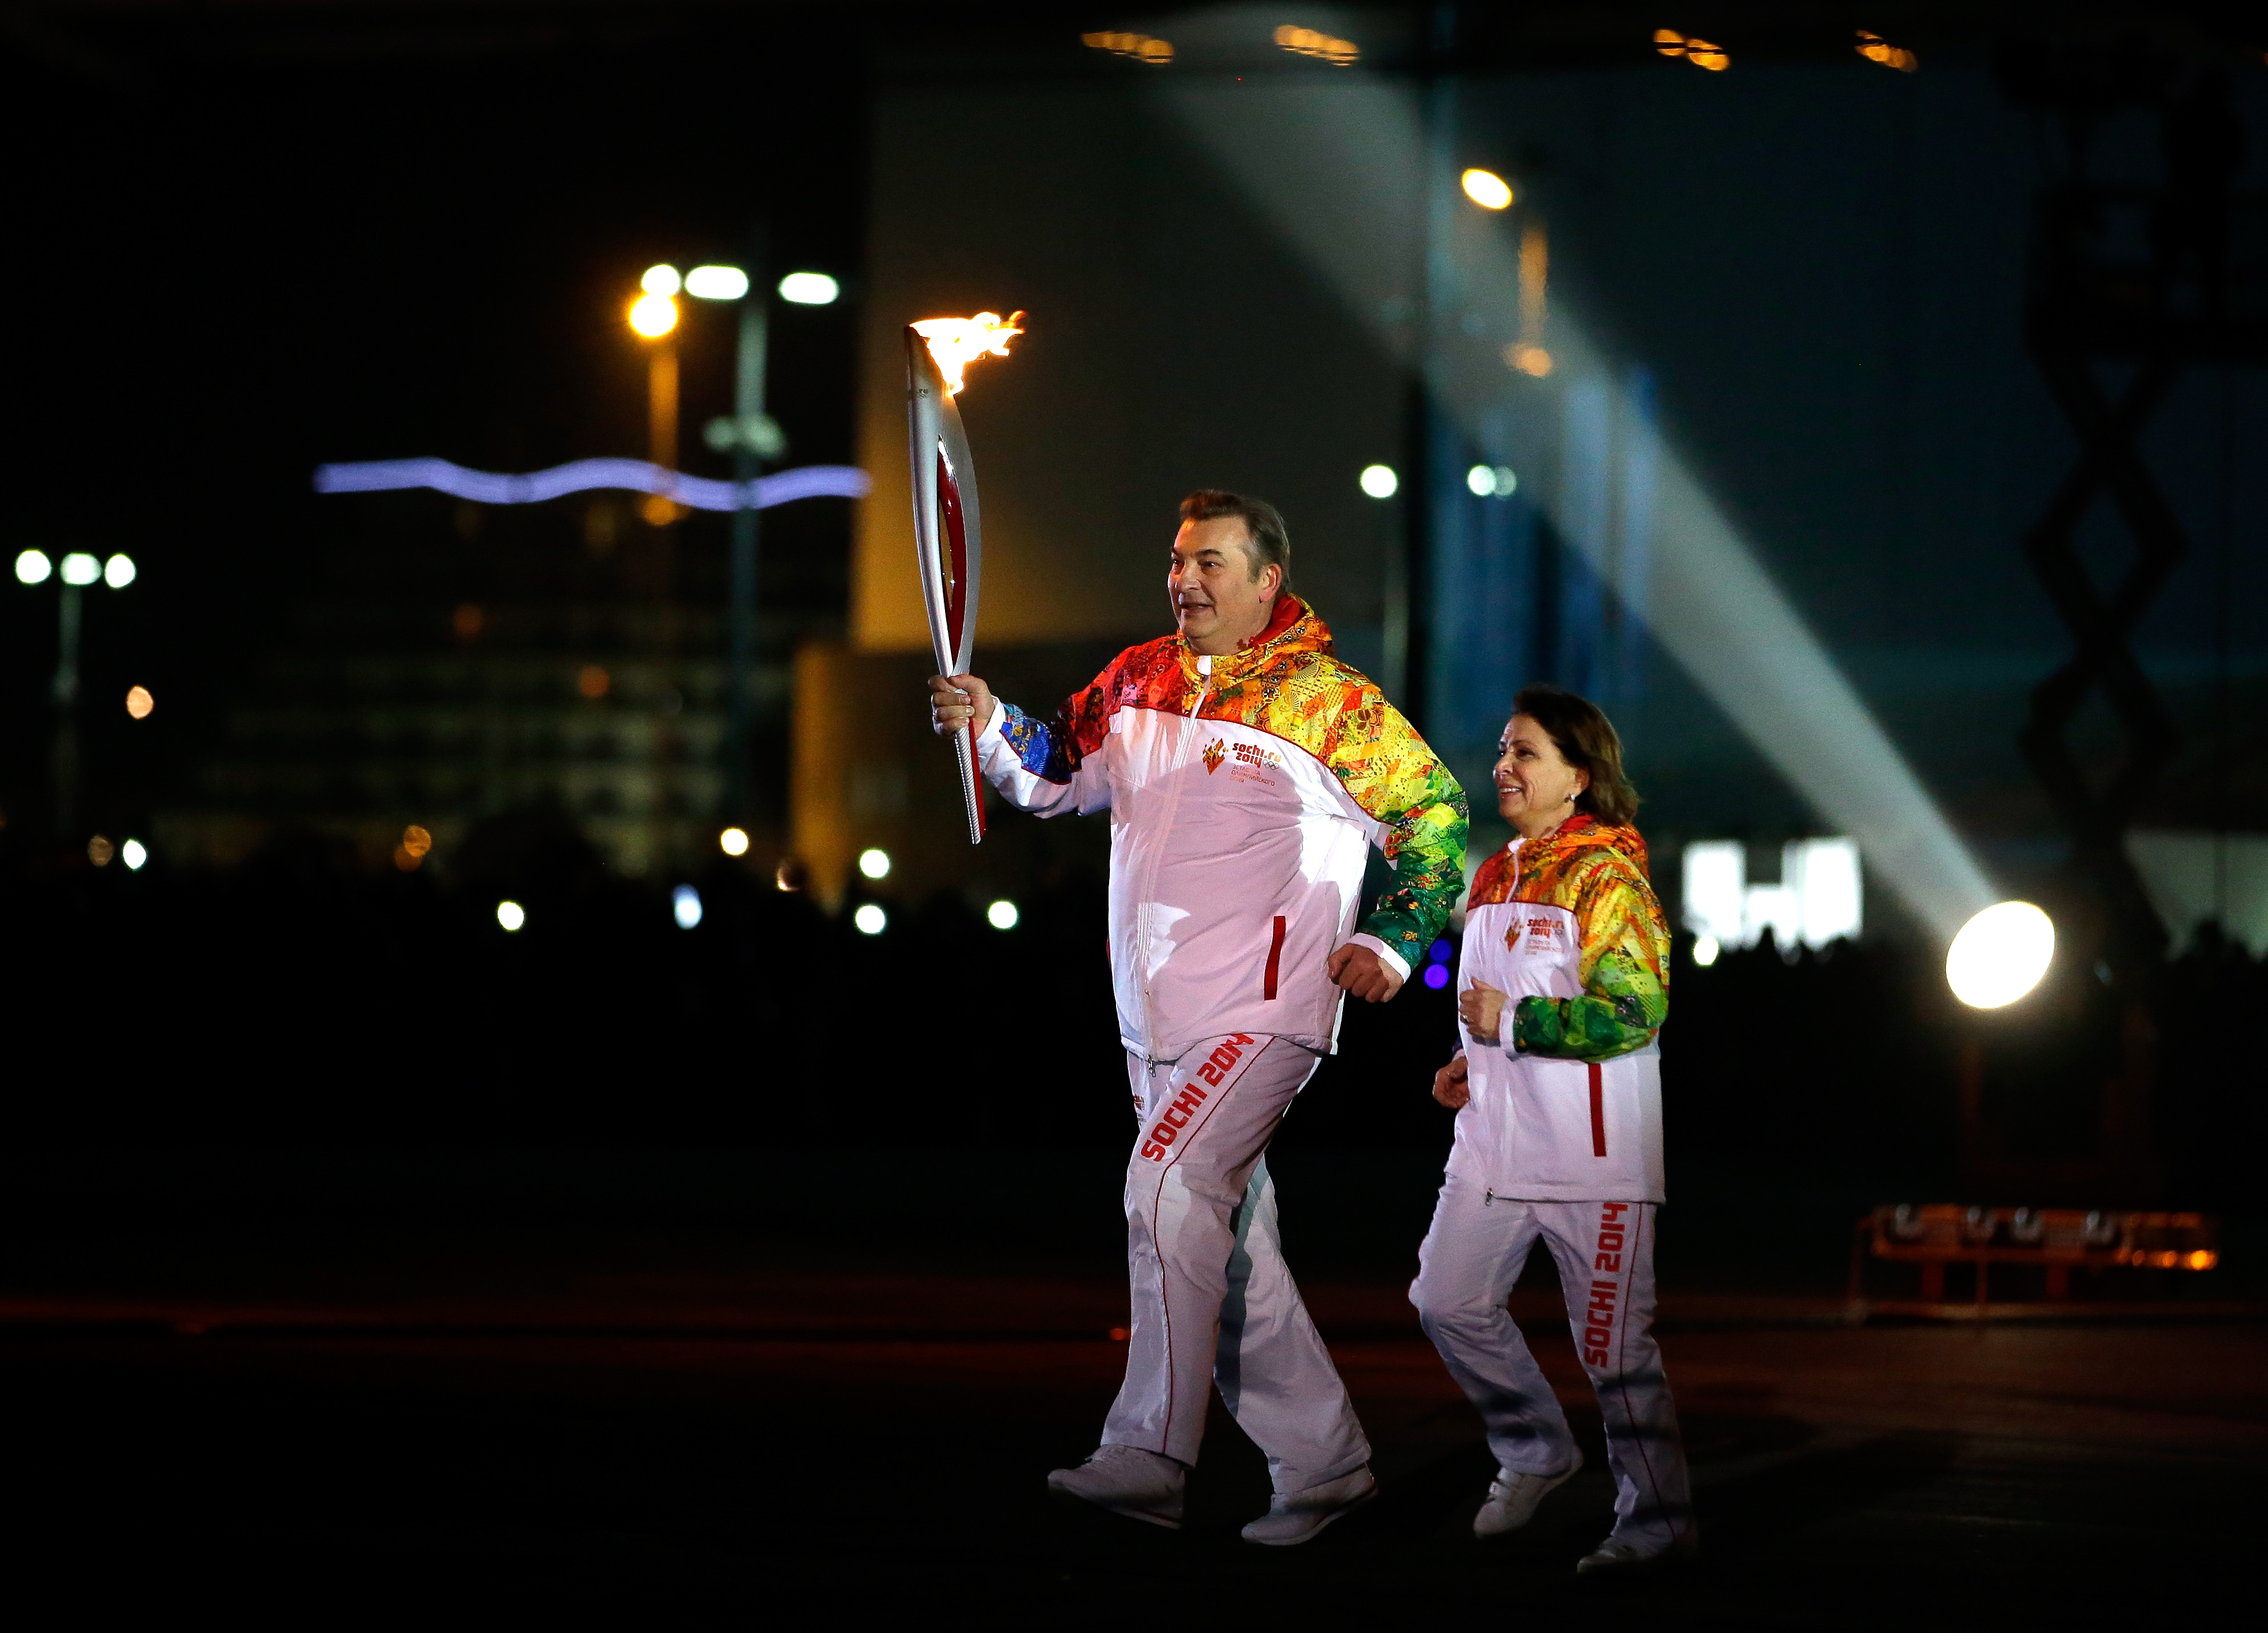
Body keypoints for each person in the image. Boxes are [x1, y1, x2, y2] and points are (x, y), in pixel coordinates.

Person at [928, 490, 1467, 1545]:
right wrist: (990, 723)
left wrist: (1394, 940)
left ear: (1268, 580)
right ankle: (1325, 1467)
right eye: (1179, 561)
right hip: (1155, 1012)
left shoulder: (1330, 703)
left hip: (1266, 1006)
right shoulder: (1136, 676)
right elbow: (1057, 777)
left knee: (1167, 1185)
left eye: (1212, 563)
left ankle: (1149, 1455)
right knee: (1224, 1244)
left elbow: (1436, 819)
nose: (1187, 581)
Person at [1409, 684, 1696, 1574]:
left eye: (1525, 752)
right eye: (1502, 748)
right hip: (1493, 1149)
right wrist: (1473, 1061)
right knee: (1445, 1301)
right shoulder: (1495, 873)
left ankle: (1655, 1524)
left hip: (1591, 1158)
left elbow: (1637, 1011)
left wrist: (1515, 1025)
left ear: (1578, 776)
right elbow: (1485, 1007)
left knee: (1613, 1353)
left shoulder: (1609, 877)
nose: (1504, 765)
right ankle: (1536, 1450)